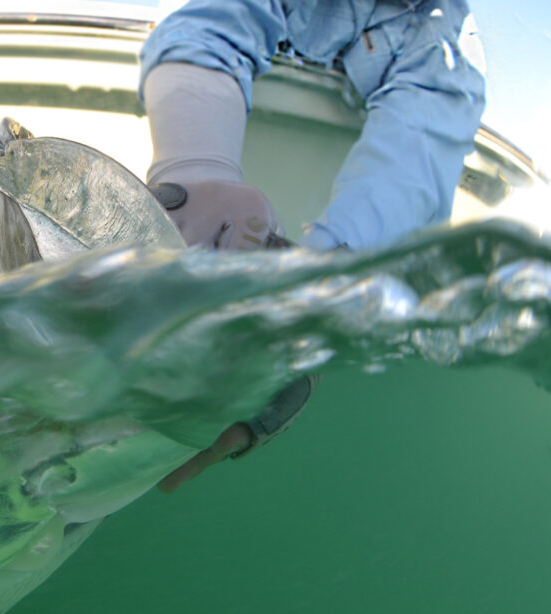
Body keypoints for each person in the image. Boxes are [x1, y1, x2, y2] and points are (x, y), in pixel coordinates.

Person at [143, 0, 486, 491]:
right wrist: (196, 172)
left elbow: (421, 144)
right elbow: (210, 23)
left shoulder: (447, 37)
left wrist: (313, 312)